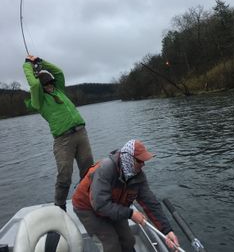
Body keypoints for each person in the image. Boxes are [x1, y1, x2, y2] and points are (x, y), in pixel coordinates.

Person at [72, 139, 180, 252]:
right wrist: (130, 213)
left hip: (114, 205)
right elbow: (100, 205)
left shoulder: (138, 176)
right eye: (139, 161)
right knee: (111, 244)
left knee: (128, 240)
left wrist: (167, 231)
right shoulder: (105, 169)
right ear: (128, 158)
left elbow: (151, 203)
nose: (143, 165)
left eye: (144, 161)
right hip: (88, 207)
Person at [23, 55, 94, 211]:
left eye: (50, 82)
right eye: (45, 84)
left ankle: (88, 199)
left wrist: (41, 63)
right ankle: (60, 207)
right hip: (63, 140)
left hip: (81, 133)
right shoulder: (39, 100)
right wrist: (28, 65)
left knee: (89, 170)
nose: (49, 86)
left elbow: (59, 72)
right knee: (65, 175)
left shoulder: (59, 90)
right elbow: (34, 85)